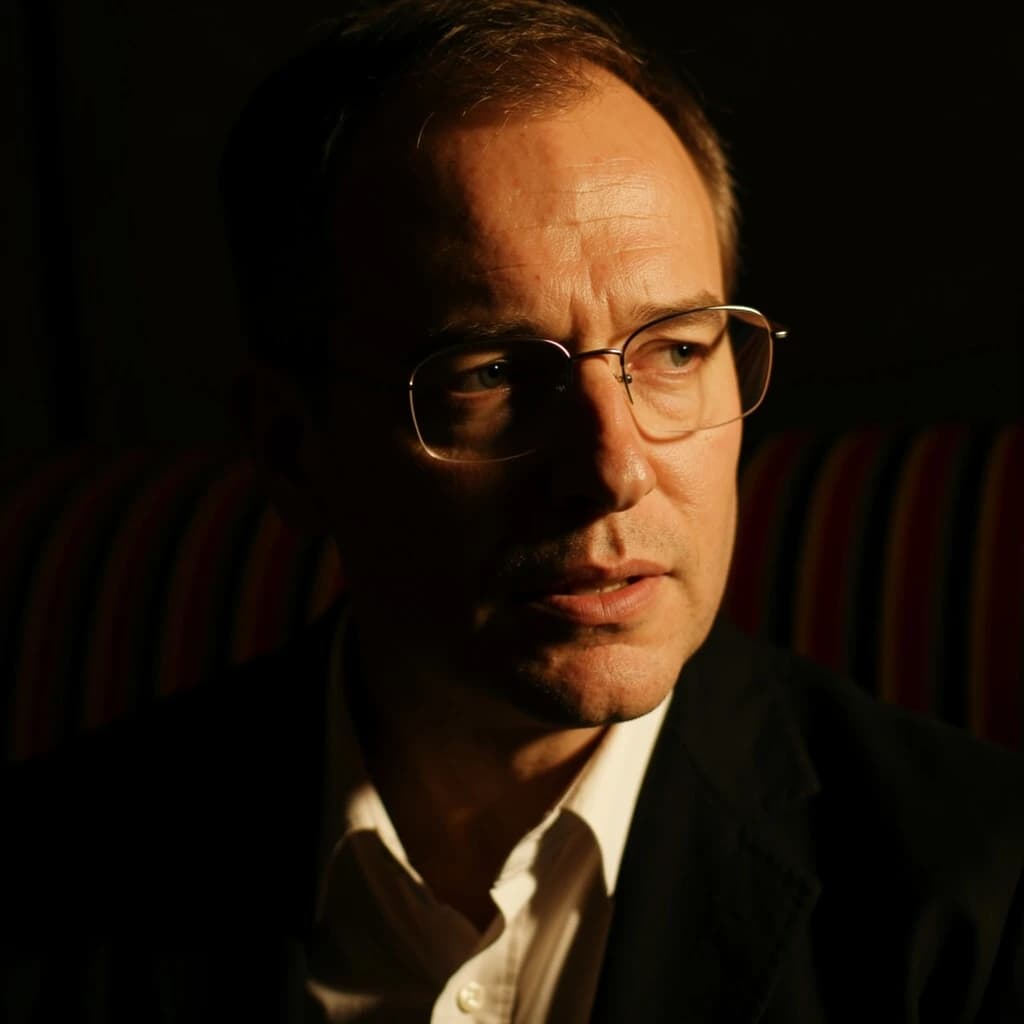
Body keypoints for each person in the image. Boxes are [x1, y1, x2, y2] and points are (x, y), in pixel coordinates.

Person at [3, 0, 1023, 1020]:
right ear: (290, 449)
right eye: (489, 371)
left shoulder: (976, 894)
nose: (612, 469)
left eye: (673, 349)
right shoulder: (49, 878)